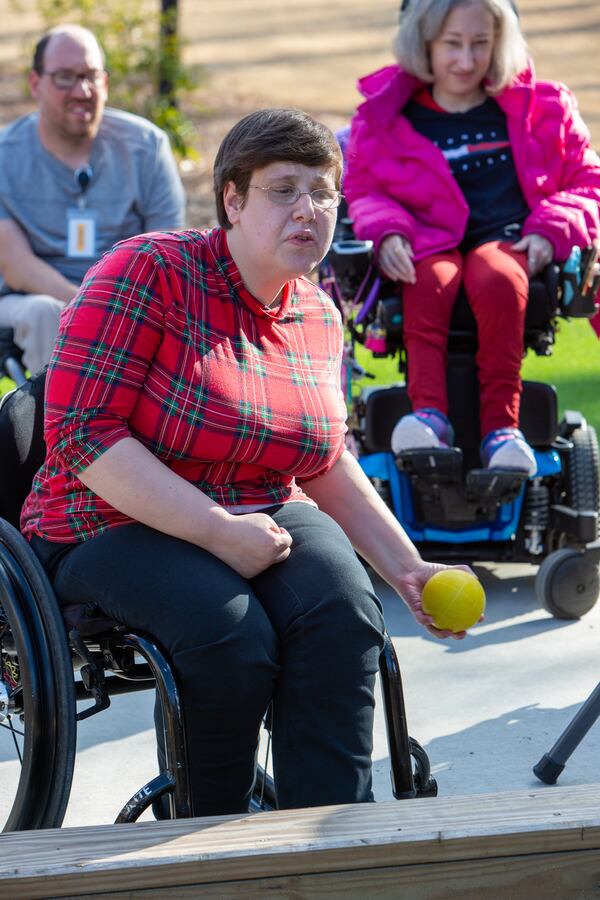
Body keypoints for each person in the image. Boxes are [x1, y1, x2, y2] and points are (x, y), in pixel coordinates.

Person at [21, 107, 470, 818]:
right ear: (232, 199)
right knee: (228, 635)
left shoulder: (319, 316)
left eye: (323, 192)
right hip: (104, 518)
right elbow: (82, 434)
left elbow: (323, 460)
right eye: (283, 189)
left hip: (260, 503)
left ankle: (332, 838)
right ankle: (213, 844)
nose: (308, 211)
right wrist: (215, 531)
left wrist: (409, 568)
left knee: (346, 616)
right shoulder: (151, 272)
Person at [344, 0, 600, 474]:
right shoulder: (384, 119)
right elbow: (363, 190)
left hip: (509, 243)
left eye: (480, 44)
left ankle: (503, 430)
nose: (466, 61)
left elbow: (586, 182)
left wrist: (551, 230)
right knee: (429, 279)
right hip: (425, 245)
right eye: (452, 45)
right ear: (424, 42)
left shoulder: (543, 109)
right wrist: (387, 234)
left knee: (500, 278)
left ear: (500, 43)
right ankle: (427, 417)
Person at [0, 24, 185, 375]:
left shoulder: (146, 147)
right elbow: (15, 265)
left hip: (128, 299)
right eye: (65, 77)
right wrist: (86, 304)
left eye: (91, 76)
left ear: (106, 83)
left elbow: (167, 250)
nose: (81, 90)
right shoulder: (5, 156)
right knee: (45, 313)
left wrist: (117, 304)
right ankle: (58, 427)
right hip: (27, 299)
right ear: (35, 83)